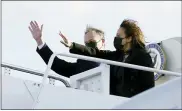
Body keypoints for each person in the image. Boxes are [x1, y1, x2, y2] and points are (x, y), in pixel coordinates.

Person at [60, 19, 155, 98]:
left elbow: (149, 86)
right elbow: (95, 52)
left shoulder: (142, 56)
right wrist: (72, 45)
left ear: (129, 38)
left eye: (119, 36)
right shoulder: (117, 56)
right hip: (116, 103)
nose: (115, 38)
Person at [28, 21, 105, 77]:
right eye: (86, 43)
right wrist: (39, 41)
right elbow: (57, 65)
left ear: (103, 42)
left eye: (92, 42)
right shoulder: (82, 65)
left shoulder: (114, 62)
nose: (88, 46)